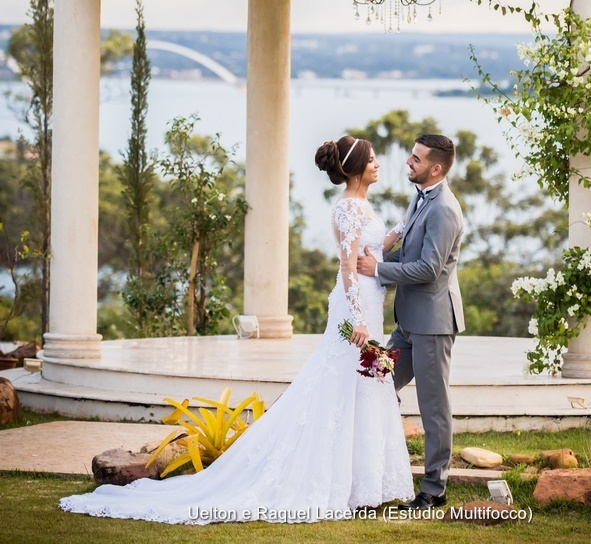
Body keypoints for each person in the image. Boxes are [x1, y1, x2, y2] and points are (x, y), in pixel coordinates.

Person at [59, 136, 413, 524]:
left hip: (369, 302)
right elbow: (348, 265)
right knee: (342, 386)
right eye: (373, 159)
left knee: (363, 385)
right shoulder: (348, 207)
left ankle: (362, 484)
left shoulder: (362, 205)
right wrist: (358, 319)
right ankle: (333, 482)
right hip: (354, 306)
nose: (379, 165)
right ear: (355, 167)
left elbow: (376, 246)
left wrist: (406, 220)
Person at [357, 133, 464, 511]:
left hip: (433, 324)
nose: (408, 162)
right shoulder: (420, 199)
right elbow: (412, 250)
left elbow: (430, 268)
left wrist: (378, 270)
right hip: (407, 324)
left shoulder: (445, 209)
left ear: (436, 168)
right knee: (374, 379)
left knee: (433, 407)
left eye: (416, 159)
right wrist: (376, 252)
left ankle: (434, 490)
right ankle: (372, 471)